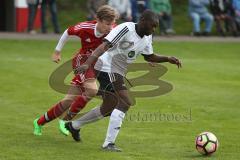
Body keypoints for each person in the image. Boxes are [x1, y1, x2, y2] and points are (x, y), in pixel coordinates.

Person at [64, 10, 182, 152]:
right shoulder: (126, 28)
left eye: (156, 27)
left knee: (109, 106)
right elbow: (104, 46)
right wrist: (87, 63)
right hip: (107, 66)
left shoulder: (147, 37)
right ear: (143, 20)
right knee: (125, 102)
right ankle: (108, 144)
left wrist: (167, 59)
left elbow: (149, 56)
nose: (154, 29)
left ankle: (74, 126)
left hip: (117, 70)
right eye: (152, 26)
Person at [33, 5, 118, 136]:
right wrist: (57, 51)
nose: (110, 27)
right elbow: (67, 32)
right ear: (98, 19)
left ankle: (39, 122)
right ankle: (66, 121)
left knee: (68, 100)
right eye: (107, 24)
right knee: (92, 90)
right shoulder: (85, 27)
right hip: (82, 62)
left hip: (97, 65)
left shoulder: (113, 30)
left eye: (112, 24)